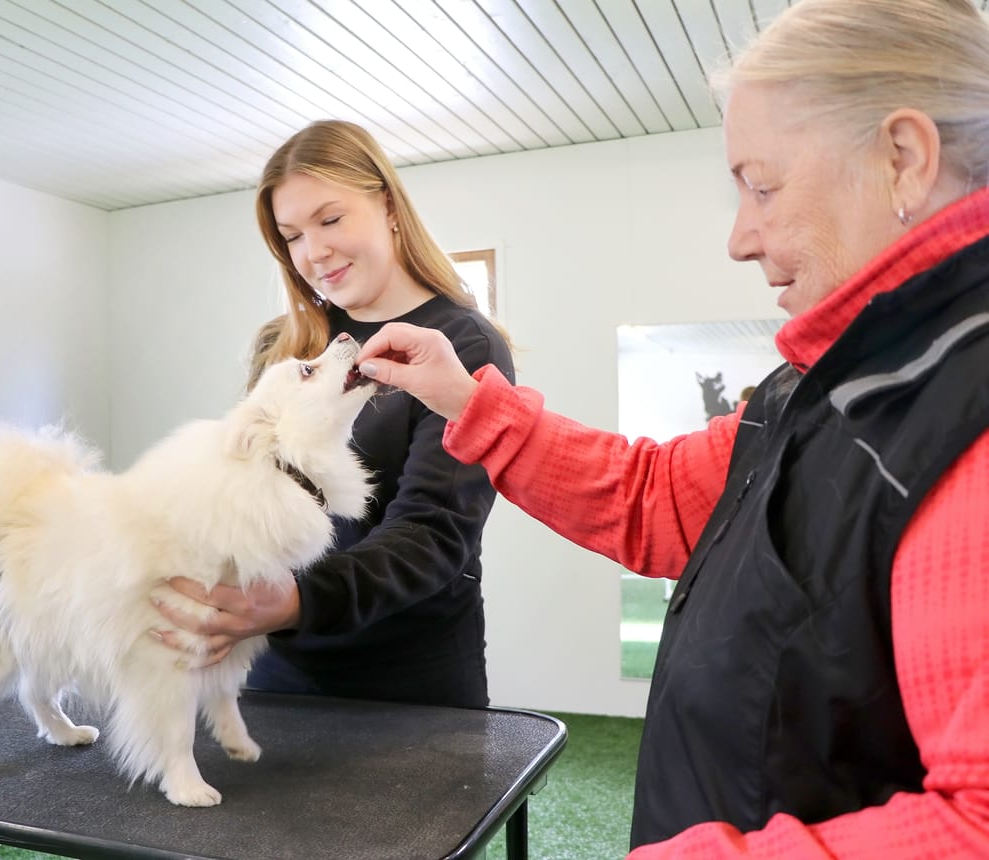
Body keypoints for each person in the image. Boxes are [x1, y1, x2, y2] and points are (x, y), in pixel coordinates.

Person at [353, 0, 989, 855]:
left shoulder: (966, 418)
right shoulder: (820, 383)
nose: (740, 236)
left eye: (763, 187)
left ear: (904, 160)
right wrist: (468, 402)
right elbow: (660, 500)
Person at [153, 119, 514, 708]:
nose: (313, 253)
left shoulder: (465, 345)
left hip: (408, 681)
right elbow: (244, 495)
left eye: (330, 219)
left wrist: (296, 599)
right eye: (291, 236)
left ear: (389, 206)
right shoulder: (283, 342)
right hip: (278, 667)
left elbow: (433, 531)